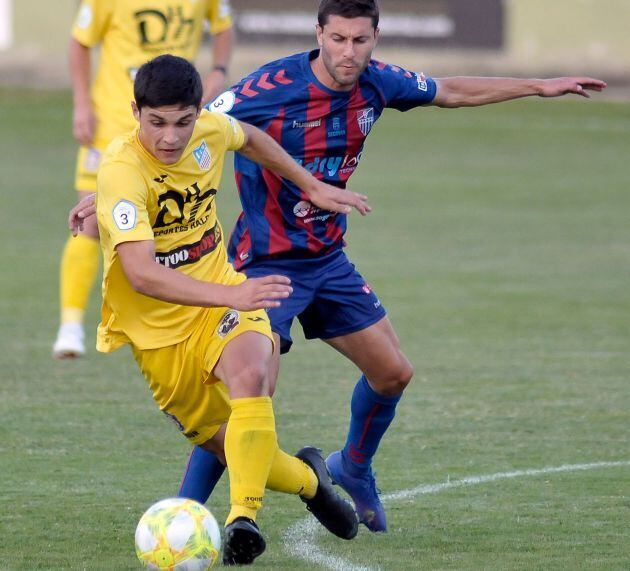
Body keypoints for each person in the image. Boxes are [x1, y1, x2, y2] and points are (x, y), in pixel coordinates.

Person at [70, 0, 606, 535]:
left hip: (326, 258)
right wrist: (113, 191)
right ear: (319, 34)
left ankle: (352, 466)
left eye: (360, 40)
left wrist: (538, 85)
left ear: (375, 39)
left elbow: (451, 91)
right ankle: (197, 513)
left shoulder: (379, 84)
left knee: (394, 372)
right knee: (249, 389)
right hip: (263, 264)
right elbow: (185, 130)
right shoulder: (268, 88)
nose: (349, 52)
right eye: (339, 39)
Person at [92, 54, 369, 565]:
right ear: (135, 112)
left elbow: (251, 137)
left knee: (250, 374)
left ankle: (244, 517)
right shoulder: (120, 170)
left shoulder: (210, 130)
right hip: (161, 338)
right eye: (157, 123)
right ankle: (312, 481)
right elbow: (142, 275)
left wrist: (308, 183)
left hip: (223, 292)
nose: (171, 137)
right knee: (234, 449)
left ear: (198, 112)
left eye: (183, 121)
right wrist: (231, 296)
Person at [54, 0, 235, 359]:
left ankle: (183, 320)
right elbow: (80, 41)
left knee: (177, 219)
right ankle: (70, 325)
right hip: (113, 123)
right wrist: (81, 104)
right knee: (90, 225)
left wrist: (218, 69)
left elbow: (223, 26)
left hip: (172, 128)